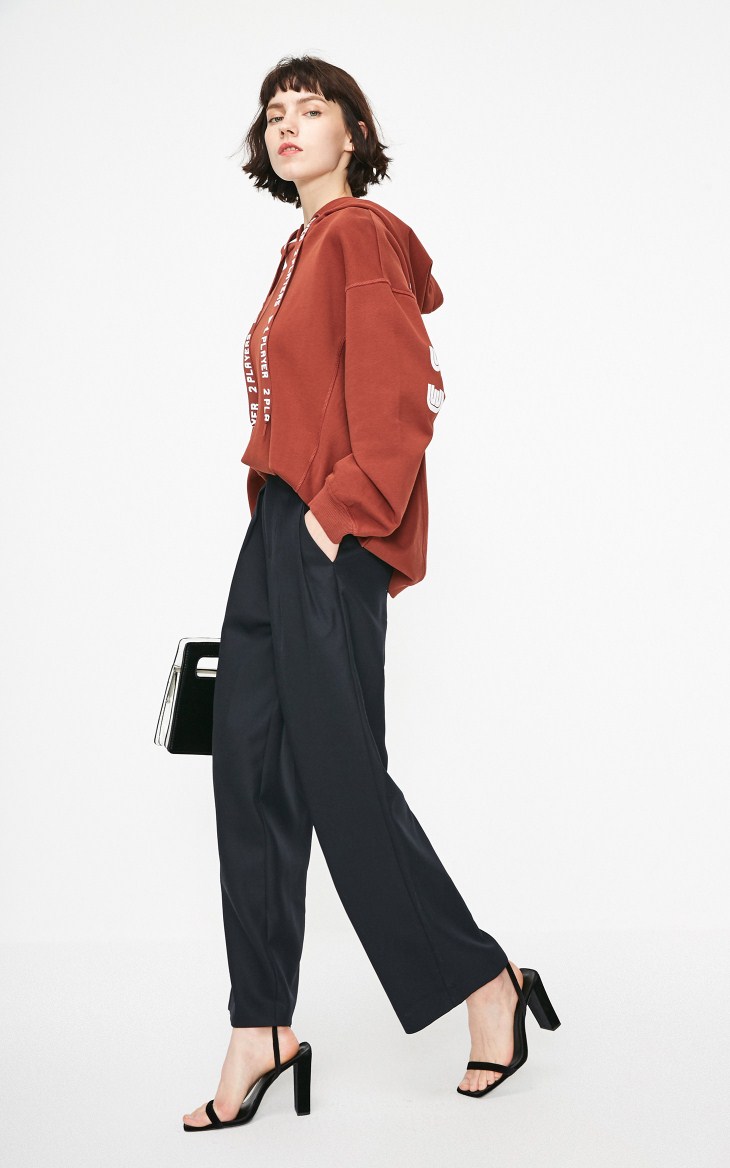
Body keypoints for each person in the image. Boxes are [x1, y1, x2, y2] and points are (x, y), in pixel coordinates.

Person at [183, 55, 560, 1133]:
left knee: (340, 778)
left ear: (352, 133)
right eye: (274, 112)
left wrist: (334, 515)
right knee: (247, 770)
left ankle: (484, 979)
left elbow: (405, 396)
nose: (287, 124)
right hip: (276, 529)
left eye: (312, 109)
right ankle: (260, 1024)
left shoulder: (359, 235)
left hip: (328, 533)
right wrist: (279, 516)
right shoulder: (300, 248)